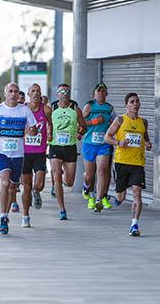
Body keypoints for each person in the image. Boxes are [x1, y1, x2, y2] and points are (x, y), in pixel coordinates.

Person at [0, 82, 37, 234]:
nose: (13, 94)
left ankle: (5, 215)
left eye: (16, 91)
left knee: (13, 187)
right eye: (11, 91)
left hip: (18, 154)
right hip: (1, 152)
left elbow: (33, 129)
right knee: (5, 182)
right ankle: (3, 217)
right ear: (5, 93)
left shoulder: (24, 110)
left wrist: (32, 132)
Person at [105, 93, 152, 236]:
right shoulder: (120, 120)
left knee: (137, 193)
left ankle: (134, 224)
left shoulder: (143, 122)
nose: (135, 104)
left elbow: (145, 138)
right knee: (121, 197)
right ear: (126, 105)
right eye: (132, 102)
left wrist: (148, 144)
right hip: (121, 163)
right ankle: (117, 198)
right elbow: (107, 137)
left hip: (137, 163)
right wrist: (119, 143)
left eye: (137, 101)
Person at [49, 84, 87, 220]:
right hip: (55, 147)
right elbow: (46, 124)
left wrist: (80, 133)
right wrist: (48, 133)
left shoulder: (75, 109)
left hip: (70, 148)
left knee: (69, 182)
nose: (64, 93)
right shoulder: (52, 108)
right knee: (57, 175)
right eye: (62, 91)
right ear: (57, 94)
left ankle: (62, 174)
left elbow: (84, 126)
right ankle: (62, 209)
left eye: (67, 91)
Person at [21, 83, 52, 227]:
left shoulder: (45, 110)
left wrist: (50, 133)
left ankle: (36, 191)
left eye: (38, 91)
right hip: (24, 153)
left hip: (39, 152)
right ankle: (25, 216)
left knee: (39, 184)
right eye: (32, 91)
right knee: (26, 186)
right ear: (28, 93)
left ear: (41, 93)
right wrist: (25, 132)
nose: (35, 93)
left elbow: (50, 124)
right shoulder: (22, 110)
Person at [82, 83, 115, 212]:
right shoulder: (89, 106)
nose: (101, 94)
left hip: (103, 144)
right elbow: (81, 122)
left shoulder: (109, 108)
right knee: (89, 175)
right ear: (94, 94)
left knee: (102, 171)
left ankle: (98, 200)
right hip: (89, 143)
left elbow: (115, 122)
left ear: (106, 94)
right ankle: (88, 191)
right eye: (98, 92)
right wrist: (95, 121)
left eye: (103, 92)